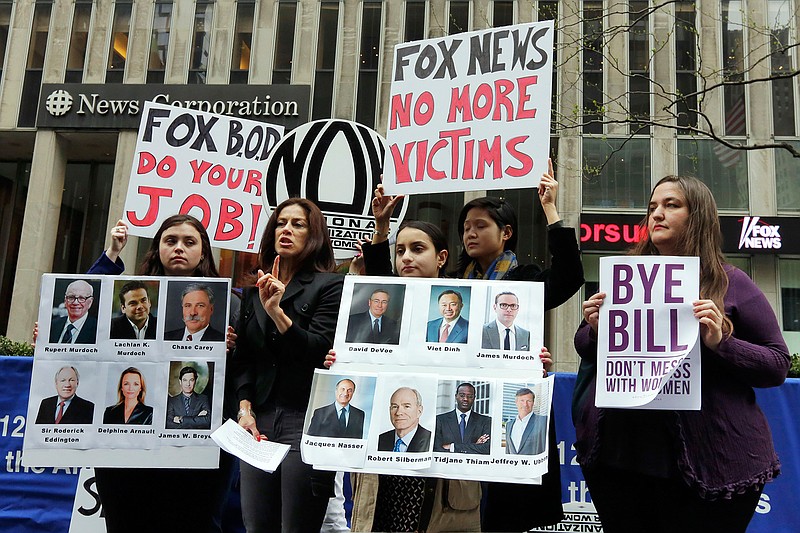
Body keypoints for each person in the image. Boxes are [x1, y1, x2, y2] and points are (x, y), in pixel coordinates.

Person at [574, 175, 790, 532]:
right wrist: (596, 328)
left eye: (671, 205)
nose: (656, 214)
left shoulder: (730, 282)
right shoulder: (625, 277)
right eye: (652, 207)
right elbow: (584, 346)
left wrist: (723, 343)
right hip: (621, 459)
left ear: (698, 216)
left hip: (711, 463)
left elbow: (777, 365)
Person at [88, 215, 239, 533]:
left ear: (204, 251)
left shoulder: (233, 305)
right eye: (170, 241)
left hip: (199, 447)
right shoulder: (134, 308)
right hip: (128, 448)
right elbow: (89, 301)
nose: (179, 248)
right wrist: (112, 254)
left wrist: (231, 348)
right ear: (156, 249)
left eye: (189, 241)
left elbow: (252, 372)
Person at [455, 160, 583, 531]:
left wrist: (550, 208)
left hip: (510, 403)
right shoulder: (452, 284)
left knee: (504, 513)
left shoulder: (524, 281)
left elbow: (570, 277)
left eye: (481, 226)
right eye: (466, 227)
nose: (470, 234)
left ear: (506, 232)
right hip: (465, 398)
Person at [232, 198, 343, 532]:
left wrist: (278, 312)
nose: (287, 230)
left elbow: (317, 351)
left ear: (314, 235)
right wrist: (244, 406)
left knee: (297, 525)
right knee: (257, 525)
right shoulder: (254, 290)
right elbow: (246, 359)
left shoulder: (330, 285)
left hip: (305, 416)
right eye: (281, 223)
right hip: (258, 420)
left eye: (298, 224)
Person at [433, 382, 491, 454]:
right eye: (462, 395)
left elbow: (486, 448)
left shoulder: (485, 421)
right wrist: (475, 446)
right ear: (456, 396)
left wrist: (452, 447)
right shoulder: (440, 420)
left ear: (474, 398)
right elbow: (436, 448)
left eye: (470, 396)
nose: (465, 399)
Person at [377, 387, 431, 452]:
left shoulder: (430, 439)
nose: (398, 413)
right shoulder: (380, 440)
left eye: (406, 406)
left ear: (419, 411)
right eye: (395, 407)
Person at [505, 387, 546, 455]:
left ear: (533, 403)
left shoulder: (543, 421)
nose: (525, 404)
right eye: (522, 400)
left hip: (533, 465)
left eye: (529, 401)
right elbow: (508, 452)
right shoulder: (509, 425)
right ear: (516, 402)